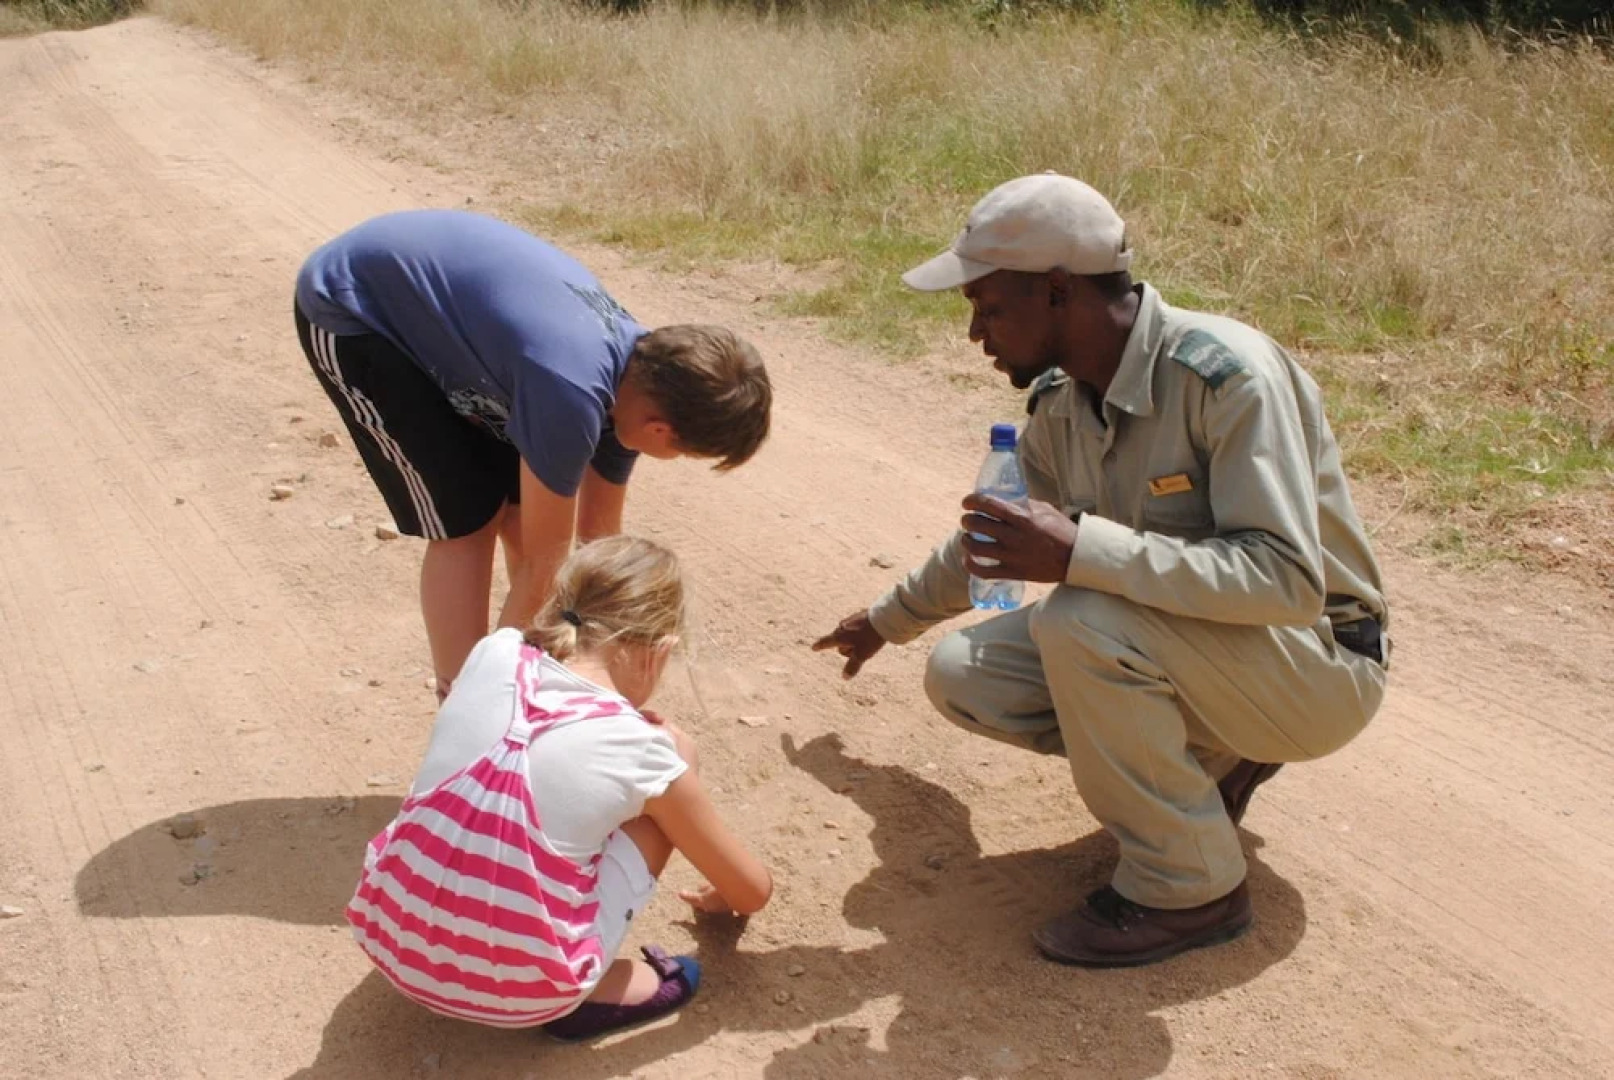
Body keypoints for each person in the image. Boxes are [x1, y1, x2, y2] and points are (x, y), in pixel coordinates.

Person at [815, 173, 1389, 968]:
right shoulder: (1063, 402)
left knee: (1080, 617)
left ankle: (1192, 888)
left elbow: (1288, 582)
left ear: (1056, 290)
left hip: (1321, 662)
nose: (977, 335)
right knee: (965, 673)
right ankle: (1217, 761)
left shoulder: (1226, 378)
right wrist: (888, 619)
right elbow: (993, 539)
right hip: (1216, 652)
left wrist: (1082, 551)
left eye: (989, 308)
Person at [294, 210, 772, 698]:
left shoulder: (640, 378)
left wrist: (595, 657)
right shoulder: (570, 391)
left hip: (448, 321)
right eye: (685, 455)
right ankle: (465, 701)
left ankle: (530, 678)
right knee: (467, 522)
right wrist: (505, 701)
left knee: (526, 519)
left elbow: (594, 547)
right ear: (661, 429)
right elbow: (547, 563)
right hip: (357, 309)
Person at [346, 535, 773, 1039]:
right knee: (667, 779)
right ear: (660, 652)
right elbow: (754, 891)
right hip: (522, 996)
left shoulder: (495, 650)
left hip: (388, 939)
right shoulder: (642, 751)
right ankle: (581, 996)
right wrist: (722, 882)